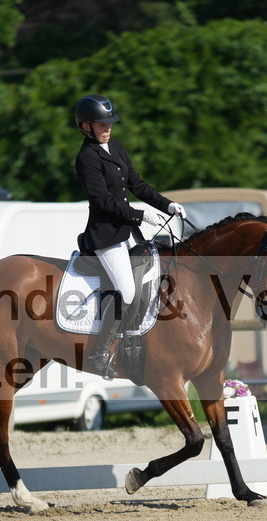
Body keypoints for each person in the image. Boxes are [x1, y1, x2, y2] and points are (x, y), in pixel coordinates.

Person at [74, 93, 186, 378]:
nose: (107, 129)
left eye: (109, 124)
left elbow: (137, 185)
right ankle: (100, 353)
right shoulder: (86, 158)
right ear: (85, 126)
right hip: (105, 236)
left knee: (154, 278)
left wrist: (166, 204)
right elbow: (104, 202)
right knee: (127, 290)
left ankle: (137, 343)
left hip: (127, 232)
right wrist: (141, 215)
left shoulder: (118, 147)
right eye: (101, 125)